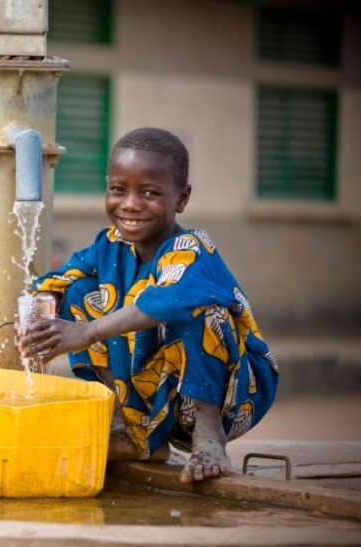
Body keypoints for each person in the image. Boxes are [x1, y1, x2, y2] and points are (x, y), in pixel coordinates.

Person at [15, 127, 279, 485]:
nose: (130, 204)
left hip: (234, 396)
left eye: (150, 193)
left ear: (181, 199)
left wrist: (86, 332)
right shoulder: (110, 245)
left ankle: (208, 437)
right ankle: (132, 429)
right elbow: (58, 279)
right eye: (118, 190)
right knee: (80, 290)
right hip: (159, 396)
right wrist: (38, 317)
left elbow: (168, 300)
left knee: (196, 308)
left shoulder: (190, 248)